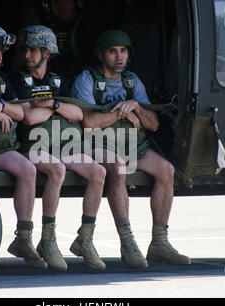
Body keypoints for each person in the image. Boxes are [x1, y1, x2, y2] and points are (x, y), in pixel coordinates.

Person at [72, 29, 191, 269]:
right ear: (101, 55)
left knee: (167, 170)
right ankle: (127, 241)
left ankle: (159, 242)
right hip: (97, 144)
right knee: (117, 168)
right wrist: (121, 112)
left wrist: (136, 104)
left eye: (123, 51)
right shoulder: (87, 79)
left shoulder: (132, 81)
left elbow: (153, 124)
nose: (119, 56)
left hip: (133, 144)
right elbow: (88, 122)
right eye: (113, 51)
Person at [10, 25, 106, 271]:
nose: (27, 55)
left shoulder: (57, 80)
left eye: (34, 50)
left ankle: (85, 238)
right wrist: (55, 109)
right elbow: (28, 118)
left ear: (47, 53)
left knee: (98, 173)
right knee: (57, 170)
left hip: (62, 144)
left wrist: (51, 104)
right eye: (25, 50)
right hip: (31, 145)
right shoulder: (17, 80)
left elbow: (77, 114)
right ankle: (47, 239)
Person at [0, 22, 47, 269]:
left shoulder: (0, 80)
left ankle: (24, 238)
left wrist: (2, 107)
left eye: (1, 52)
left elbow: (23, 111)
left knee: (28, 169)